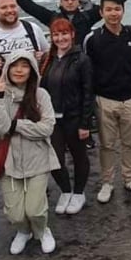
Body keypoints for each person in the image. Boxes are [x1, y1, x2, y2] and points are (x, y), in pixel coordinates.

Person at [0, 53, 60, 256]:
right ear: (7, 68)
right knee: (15, 214)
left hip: (37, 158)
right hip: (8, 160)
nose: (19, 70)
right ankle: (23, 231)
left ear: (32, 71)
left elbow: (47, 128)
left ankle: (42, 230)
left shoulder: (40, 95)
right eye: (15, 65)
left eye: (25, 66)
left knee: (35, 210)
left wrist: (16, 125)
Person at [83, 0, 131, 202]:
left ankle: (129, 178)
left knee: (130, 143)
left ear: (123, 10)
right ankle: (107, 182)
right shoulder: (93, 39)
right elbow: (88, 73)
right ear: (101, 12)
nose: (113, 13)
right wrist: (90, 103)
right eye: (109, 9)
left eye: (117, 9)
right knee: (107, 145)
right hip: (105, 99)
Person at [41, 18, 93, 216]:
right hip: (52, 119)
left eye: (64, 33)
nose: (60, 38)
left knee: (79, 156)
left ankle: (79, 192)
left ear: (72, 34)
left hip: (74, 118)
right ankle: (65, 191)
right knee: (54, 158)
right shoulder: (48, 59)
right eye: (56, 34)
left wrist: (85, 123)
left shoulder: (82, 60)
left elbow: (88, 93)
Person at [10, 0, 131, 43]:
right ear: (60, 3)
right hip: (61, 58)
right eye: (66, 0)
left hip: (84, 58)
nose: (70, 2)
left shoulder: (87, 17)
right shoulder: (53, 18)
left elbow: (108, 7)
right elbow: (32, 7)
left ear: (78, 2)